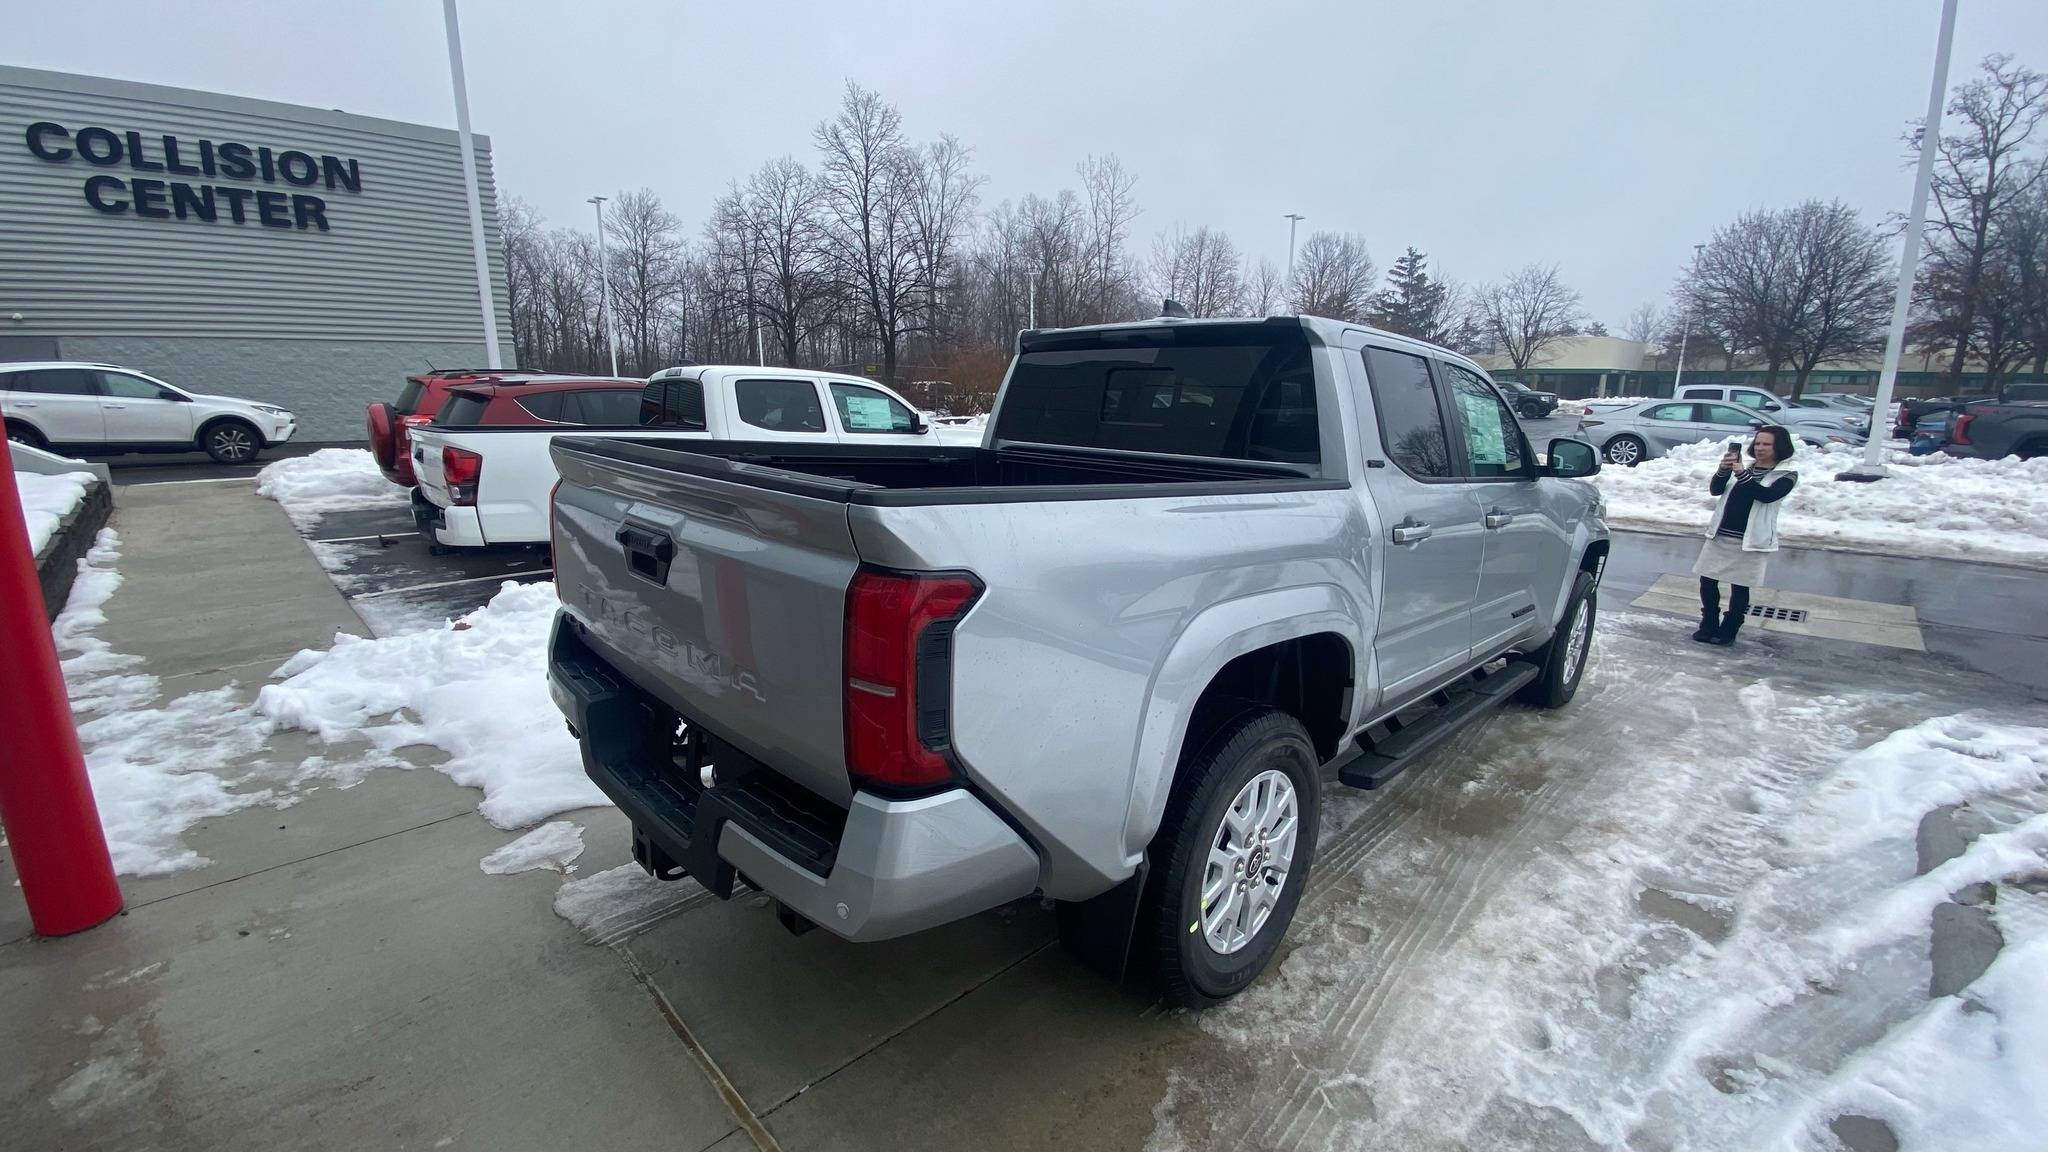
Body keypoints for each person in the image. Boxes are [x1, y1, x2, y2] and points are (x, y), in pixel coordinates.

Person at [1691, 425, 1798, 646]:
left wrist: (1741, 474)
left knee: (1740, 585)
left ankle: (1730, 627)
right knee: (1707, 579)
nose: (1760, 448)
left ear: (1779, 447)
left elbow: (1767, 496)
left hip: (1750, 540)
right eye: (1757, 443)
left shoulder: (1786, 474)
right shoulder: (1744, 467)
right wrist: (1723, 471)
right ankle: (1708, 623)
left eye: (1766, 444)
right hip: (1721, 534)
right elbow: (1716, 489)